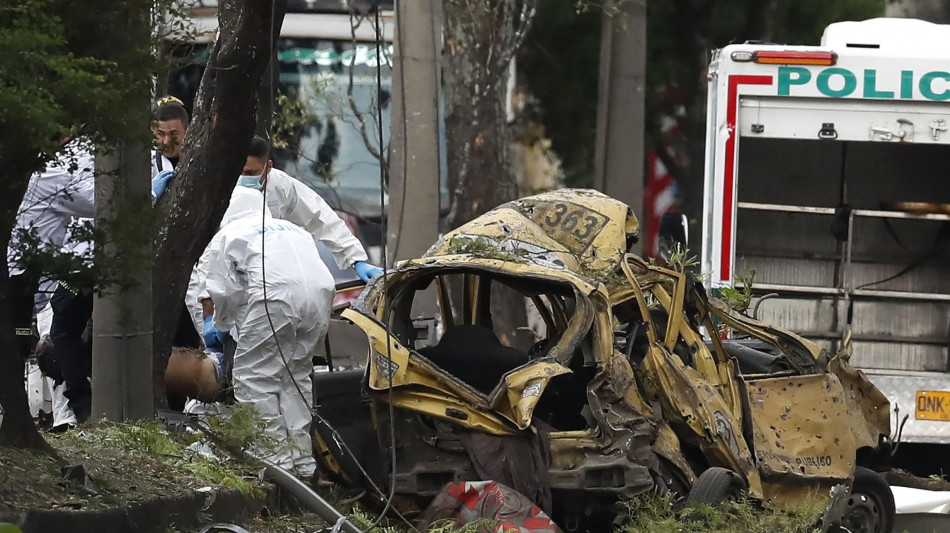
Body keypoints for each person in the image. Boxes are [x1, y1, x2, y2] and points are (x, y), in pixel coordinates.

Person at [185, 136, 382, 336]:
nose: (243, 179)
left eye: (251, 173)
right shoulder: (218, 190)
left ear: (268, 167)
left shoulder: (280, 187)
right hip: (222, 280)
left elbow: (320, 217)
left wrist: (355, 259)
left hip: (270, 282)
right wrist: (208, 315)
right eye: (239, 172)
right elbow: (208, 259)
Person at [204, 187, 335, 477]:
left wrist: (222, 324)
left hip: (275, 297)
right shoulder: (294, 230)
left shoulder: (229, 234)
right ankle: (303, 464)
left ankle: (276, 466)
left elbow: (223, 290)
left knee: (254, 379)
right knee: (295, 377)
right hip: (320, 296)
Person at [8, 141, 96, 360]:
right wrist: (150, 192)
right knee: (18, 339)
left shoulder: (22, 168)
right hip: (20, 276)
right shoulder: (50, 174)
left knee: (19, 337)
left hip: (22, 274)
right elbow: (96, 203)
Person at [151, 96, 189, 199]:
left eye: (173, 134)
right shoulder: (145, 163)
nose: (166, 141)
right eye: (160, 134)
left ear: (187, 131)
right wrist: (152, 194)